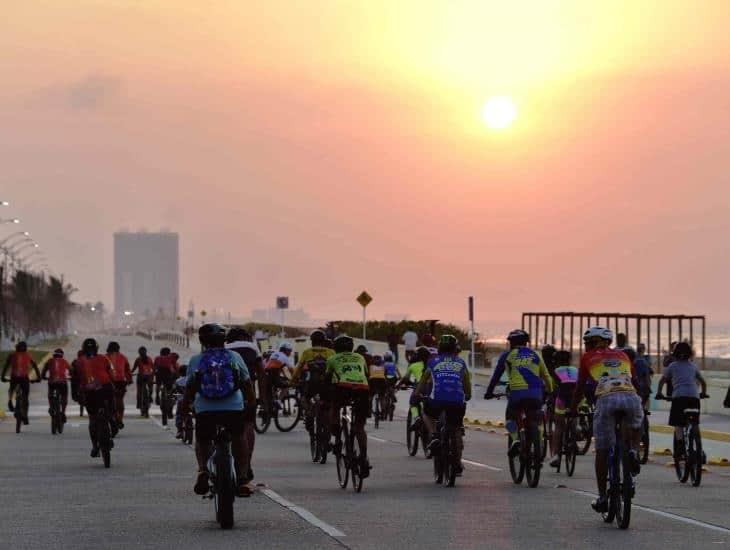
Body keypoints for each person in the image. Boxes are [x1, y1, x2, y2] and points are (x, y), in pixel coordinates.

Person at [571, 327, 643, 514]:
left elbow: (579, 388)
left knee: (602, 450)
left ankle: (603, 497)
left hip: (606, 399)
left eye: (587, 343)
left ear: (594, 342)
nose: (585, 346)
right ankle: (634, 450)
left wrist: (572, 409)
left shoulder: (588, 358)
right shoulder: (623, 355)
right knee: (636, 424)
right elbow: (636, 383)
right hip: (630, 397)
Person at [181, 323, 255, 497]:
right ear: (223, 340)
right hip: (233, 408)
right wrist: (251, 403)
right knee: (239, 437)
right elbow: (246, 384)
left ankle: (202, 471)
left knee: (203, 439)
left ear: (202, 341)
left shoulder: (196, 360)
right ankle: (243, 479)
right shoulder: (234, 357)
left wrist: (185, 408)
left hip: (205, 409)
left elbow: (190, 388)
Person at [485, 330, 554, 458]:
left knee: (510, 418)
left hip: (517, 394)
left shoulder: (507, 355)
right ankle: (537, 443)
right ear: (526, 342)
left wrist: (489, 393)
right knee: (536, 418)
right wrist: (550, 392)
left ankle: (516, 439)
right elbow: (546, 376)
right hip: (536, 394)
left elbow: (495, 378)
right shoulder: (535, 355)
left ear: (512, 343)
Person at [416, 335, 471, 474]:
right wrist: (468, 394)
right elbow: (466, 382)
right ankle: (457, 463)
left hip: (437, 400)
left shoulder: (434, 362)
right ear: (455, 349)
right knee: (457, 428)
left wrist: (417, 394)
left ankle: (434, 435)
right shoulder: (460, 362)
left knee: (426, 414)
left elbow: (424, 380)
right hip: (456, 402)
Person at [225, 327, 265, 493]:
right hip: (247, 394)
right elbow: (262, 374)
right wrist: (263, 399)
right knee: (248, 427)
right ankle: (246, 467)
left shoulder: (225, 349)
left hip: (225, 395)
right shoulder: (253, 348)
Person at [325, 335, 371, 476]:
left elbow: (327, 378)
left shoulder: (332, 358)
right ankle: (363, 458)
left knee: (334, 407)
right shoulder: (360, 357)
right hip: (363, 388)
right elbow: (366, 374)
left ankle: (337, 439)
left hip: (343, 387)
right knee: (359, 426)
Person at [655, 342, 709, 459]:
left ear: (675, 354)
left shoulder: (673, 366)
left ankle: (680, 446)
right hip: (694, 397)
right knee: (695, 422)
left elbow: (662, 381)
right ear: (690, 354)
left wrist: (659, 393)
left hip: (679, 397)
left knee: (677, 423)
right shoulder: (693, 366)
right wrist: (703, 393)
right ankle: (698, 447)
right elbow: (703, 382)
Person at [77, 338, 117, 457]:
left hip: (90, 390)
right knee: (110, 403)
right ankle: (112, 420)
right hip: (105, 387)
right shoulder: (104, 358)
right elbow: (111, 374)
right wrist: (114, 384)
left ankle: (95, 447)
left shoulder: (79, 361)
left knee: (93, 419)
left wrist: (78, 393)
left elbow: (76, 379)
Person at [291, 329, 335, 433]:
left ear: (312, 341)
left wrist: (293, 381)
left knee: (304, 399)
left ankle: (310, 413)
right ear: (324, 341)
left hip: (312, 383)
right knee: (329, 403)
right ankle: (329, 424)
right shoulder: (331, 352)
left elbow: (298, 368)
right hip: (327, 384)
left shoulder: (307, 352)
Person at [548, 350, 578, 467]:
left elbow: (551, 388)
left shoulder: (555, 371)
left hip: (561, 399)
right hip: (575, 399)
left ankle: (556, 455)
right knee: (574, 417)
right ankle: (576, 430)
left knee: (559, 427)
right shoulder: (576, 370)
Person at [2, 341, 41, 423]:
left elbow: (6, 366)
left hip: (14, 378)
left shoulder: (12, 355)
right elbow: (35, 366)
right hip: (24, 378)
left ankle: (9, 401)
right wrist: (38, 377)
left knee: (11, 389)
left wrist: (2, 377)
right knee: (25, 397)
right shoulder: (28, 355)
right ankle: (25, 416)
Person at [263, 341, 295, 410]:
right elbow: (292, 370)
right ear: (286, 350)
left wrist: (285, 377)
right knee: (286, 386)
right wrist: (294, 379)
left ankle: (272, 403)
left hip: (265, 376)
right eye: (290, 351)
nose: (290, 353)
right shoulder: (285, 357)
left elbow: (279, 368)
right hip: (273, 376)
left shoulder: (274, 354)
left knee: (272, 389)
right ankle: (279, 401)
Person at [107, 342, 132, 429]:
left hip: (108, 382)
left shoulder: (104, 357)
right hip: (120, 382)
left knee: (107, 400)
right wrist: (129, 380)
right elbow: (127, 370)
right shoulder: (123, 357)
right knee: (119, 401)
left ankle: (115, 417)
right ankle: (120, 419)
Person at [41, 348, 71, 422]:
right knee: (64, 396)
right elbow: (71, 370)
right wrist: (72, 376)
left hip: (52, 382)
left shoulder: (49, 361)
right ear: (62, 356)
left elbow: (44, 371)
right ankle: (63, 412)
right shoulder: (64, 361)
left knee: (50, 394)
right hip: (62, 382)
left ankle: (51, 407)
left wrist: (43, 377)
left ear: (54, 355)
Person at [132, 346, 154, 415]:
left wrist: (129, 374)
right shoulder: (149, 359)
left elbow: (133, 369)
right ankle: (150, 397)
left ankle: (139, 404)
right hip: (149, 377)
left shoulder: (138, 359)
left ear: (139, 353)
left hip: (140, 378)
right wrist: (153, 375)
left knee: (139, 392)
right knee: (150, 389)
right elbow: (153, 369)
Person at [634, 343, 653, 409]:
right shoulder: (635, 357)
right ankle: (640, 408)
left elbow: (649, 365)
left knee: (646, 395)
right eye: (639, 348)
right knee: (638, 394)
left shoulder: (646, 357)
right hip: (637, 379)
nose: (641, 349)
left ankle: (646, 409)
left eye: (642, 348)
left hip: (645, 379)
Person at [174, 364, 189, 439]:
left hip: (181, 401)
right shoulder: (191, 379)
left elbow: (175, 390)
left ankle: (179, 430)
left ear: (180, 373)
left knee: (179, 414)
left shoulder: (178, 381)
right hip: (191, 400)